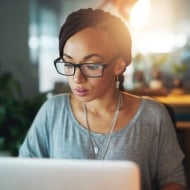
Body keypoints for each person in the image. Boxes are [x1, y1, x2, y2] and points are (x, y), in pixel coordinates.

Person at [19, 8, 186, 190]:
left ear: (119, 65)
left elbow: (174, 182)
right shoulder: (52, 112)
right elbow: (23, 177)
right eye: (68, 64)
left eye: (91, 65)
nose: (77, 78)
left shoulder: (153, 116)